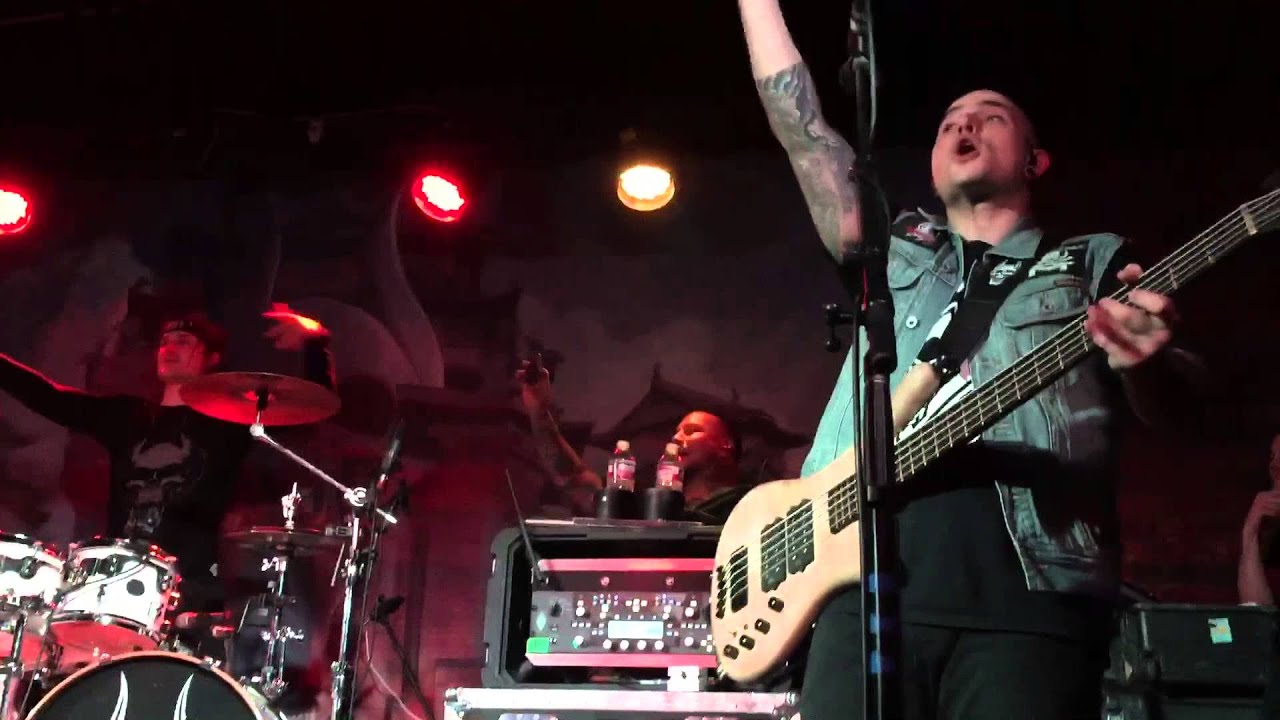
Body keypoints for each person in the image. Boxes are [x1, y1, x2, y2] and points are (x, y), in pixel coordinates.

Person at [734, 1, 1203, 718]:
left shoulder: (1091, 262)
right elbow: (806, 137)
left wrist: (1146, 361)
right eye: (951, 118)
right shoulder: (891, 252)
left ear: (1035, 160)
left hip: (1026, 609)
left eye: (991, 115)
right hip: (857, 595)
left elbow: (1184, 408)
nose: (963, 123)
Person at [0, 306, 334, 624]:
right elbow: (47, 397)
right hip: (113, 581)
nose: (170, 347)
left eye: (184, 342)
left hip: (189, 589)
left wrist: (315, 342)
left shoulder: (228, 422)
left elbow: (313, 407)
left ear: (212, 357)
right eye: (165, 341)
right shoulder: (125, 417)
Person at [515, 360, 747, 522]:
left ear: (725, 444)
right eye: (676, 432)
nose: (677, 438)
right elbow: (574, 477)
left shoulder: (753, 508)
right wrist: (539, 413)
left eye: (691, 430)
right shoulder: (646, 508)